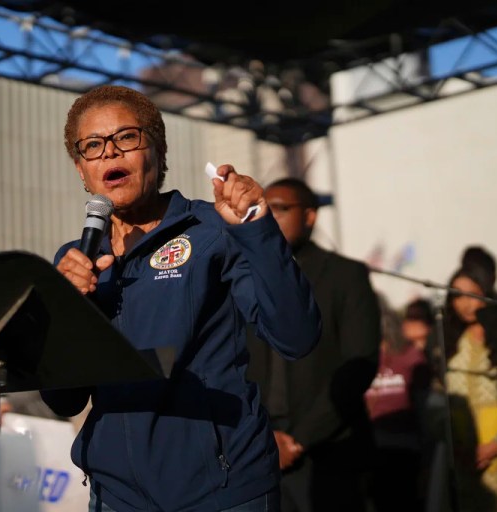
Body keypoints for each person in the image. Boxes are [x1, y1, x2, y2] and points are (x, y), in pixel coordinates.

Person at [40, 85, 321, 511]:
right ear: (81, 170)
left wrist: (256, 229)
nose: (110, 154)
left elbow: (297, 337)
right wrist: (64, 314)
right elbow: (65, 400)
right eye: (93, 146)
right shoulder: (74, 259)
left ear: (157, 150)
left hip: (222, 491)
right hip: (119, 497)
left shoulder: (214, 229)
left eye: (126, 138)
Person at [245, 177, 381, 512]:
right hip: (259, 449)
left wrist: (299, 439)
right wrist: (265, 437)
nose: (270, 215)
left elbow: (359, 364)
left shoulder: (345, 275)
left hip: (329, 448)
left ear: (310, 216)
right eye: (263, 207)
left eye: (280, 208)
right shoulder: (245, 275)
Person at [443, 265, 497, 511]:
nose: (465, 304)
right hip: (468, 458)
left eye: (472, 294)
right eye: (457, 296)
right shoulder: (452, 343)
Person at [364, 293, 431, 512]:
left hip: (405, 451)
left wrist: (426, 458)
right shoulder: (357, 358)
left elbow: (424, 410)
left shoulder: (410, 357)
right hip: (369, 453)